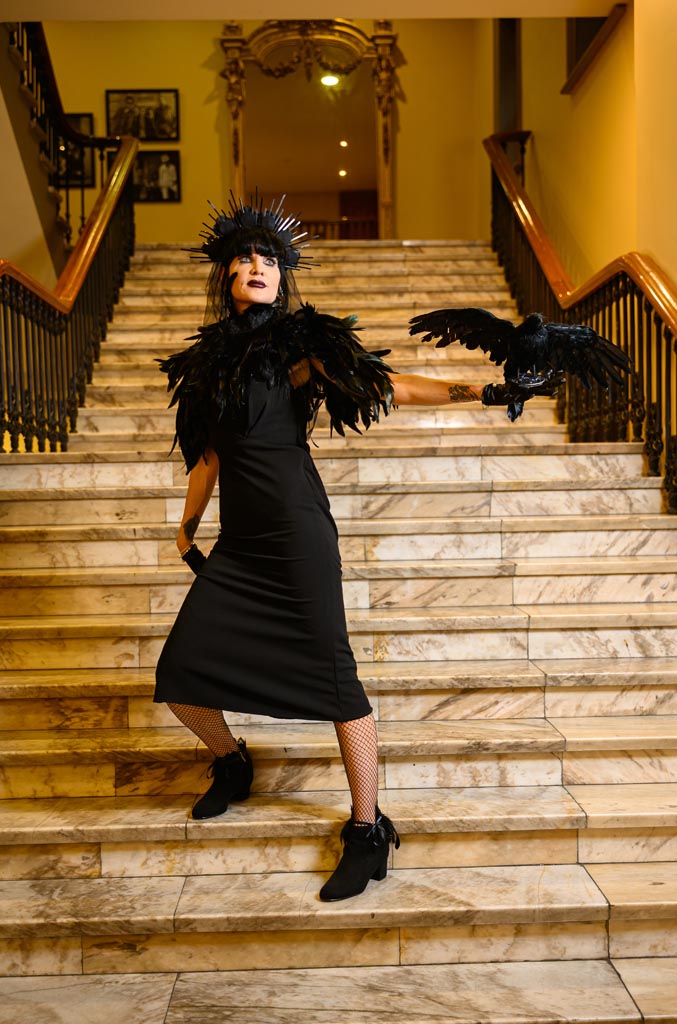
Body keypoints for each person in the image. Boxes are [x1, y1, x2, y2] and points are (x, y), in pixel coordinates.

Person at [154, 195, 553, 902]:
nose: (258, 266)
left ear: (282, 278)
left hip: (297, 537)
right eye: (245, 258)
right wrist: (187, 526)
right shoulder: (210, 363)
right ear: (225, 275)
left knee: (337, 683)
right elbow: (208, 455)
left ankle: (367, 830)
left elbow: (386, 385)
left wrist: (484, 391)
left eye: (269, 259)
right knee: (180, 674)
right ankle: (234, 761)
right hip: (239, 546)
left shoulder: (299, 348)